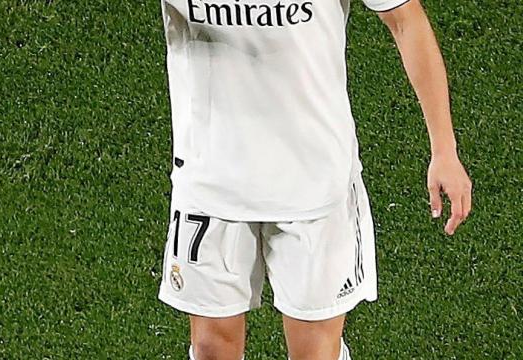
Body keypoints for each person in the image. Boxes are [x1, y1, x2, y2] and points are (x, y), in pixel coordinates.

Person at [156, 0, 472, 358]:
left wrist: (444, 148)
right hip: (210, 176)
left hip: (313, 181)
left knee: (315, 352)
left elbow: (404, 19)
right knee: (212, 347)